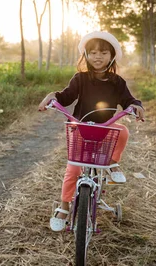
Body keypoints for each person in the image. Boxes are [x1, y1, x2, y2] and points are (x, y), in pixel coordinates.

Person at [38, 31, 145, 232]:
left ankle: (113, 163)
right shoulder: (80, 79)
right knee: (73, 169)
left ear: (111, 55)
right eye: (93, 52)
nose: (98, 56)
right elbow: (65, 97)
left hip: (107, 128)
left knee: (122, 131)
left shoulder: (117, 82)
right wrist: (51, 97)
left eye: (103, 52)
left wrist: (136, 105)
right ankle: (64, 207)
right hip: (82, 128)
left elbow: (128, 99)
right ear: (86, 55)